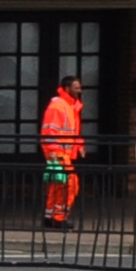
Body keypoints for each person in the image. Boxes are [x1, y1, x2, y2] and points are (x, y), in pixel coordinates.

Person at [40, 72, 87, 226]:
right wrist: (53, 152)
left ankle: (50, 217)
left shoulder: (69, 107)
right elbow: (49, 131)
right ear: (67, 88)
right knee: (69, 185)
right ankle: (59, 218)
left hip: (60, 152)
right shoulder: (59, 107)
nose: (79, 91)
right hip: (58, 152)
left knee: (57, 185)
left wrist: (79, 145)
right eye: (76, 88)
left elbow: (73, 131)